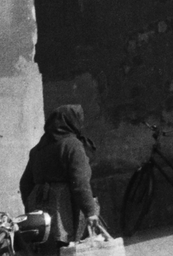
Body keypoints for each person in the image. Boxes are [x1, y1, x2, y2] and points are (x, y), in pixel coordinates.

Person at [19, 105, 103, 254]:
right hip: (64, 208)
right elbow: (80, 183)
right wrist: (90, 211)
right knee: (70, 249)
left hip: (39, 210)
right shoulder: (72, 145)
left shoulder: (38, 149)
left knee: (47, 250)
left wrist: (31, 208)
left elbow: (25, 183)